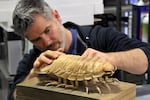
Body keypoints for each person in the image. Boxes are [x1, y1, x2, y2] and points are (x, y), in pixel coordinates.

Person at [8, 0, 150, 100]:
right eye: (36, 40)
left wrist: (111, 58)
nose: (47, 42)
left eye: (47, 30)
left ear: (56, 16)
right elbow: (14, 96)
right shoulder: (33, 62)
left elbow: (146, 57)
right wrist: (33, 76)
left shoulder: (99, 37)